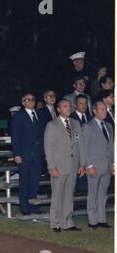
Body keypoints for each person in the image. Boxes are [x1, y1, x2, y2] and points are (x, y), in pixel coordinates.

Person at [44, 99, 85, 232]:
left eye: (69, 106)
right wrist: (51, 166)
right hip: (59, 166)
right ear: (59, 109)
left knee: (69, 195)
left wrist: (82, 164)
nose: (68, 108)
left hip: (73, 165)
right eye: (64, 106)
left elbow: (80, 145)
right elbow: (48, 148)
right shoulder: (52, 125)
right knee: (57, 195)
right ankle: (55, 223)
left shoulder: (75, 123)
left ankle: (67, 222)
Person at [83, 101, 114, 229]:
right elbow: (84, 148)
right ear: (94, 111)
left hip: (106, 166)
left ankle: (101, 219)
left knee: (103, 193)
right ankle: (92, 221)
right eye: (102, 109)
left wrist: (113, 163)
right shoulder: (88, 126)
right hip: (94, 166)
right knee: (93, 193)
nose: (105, 111)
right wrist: (89, 166)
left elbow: (111, 147)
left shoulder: (109, 126)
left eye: (105, 109)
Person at [11, 93, 43, 215]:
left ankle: (33, 205)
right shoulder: (19, 116)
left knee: (34, 182)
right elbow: (15, 136)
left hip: (37, 154)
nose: (31, 101)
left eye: (33, 99)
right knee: (24, 181)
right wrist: (17, 154)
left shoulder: (38, 115)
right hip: (24, 155)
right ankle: (24, 207)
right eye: (28, 100)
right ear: (23, 103)